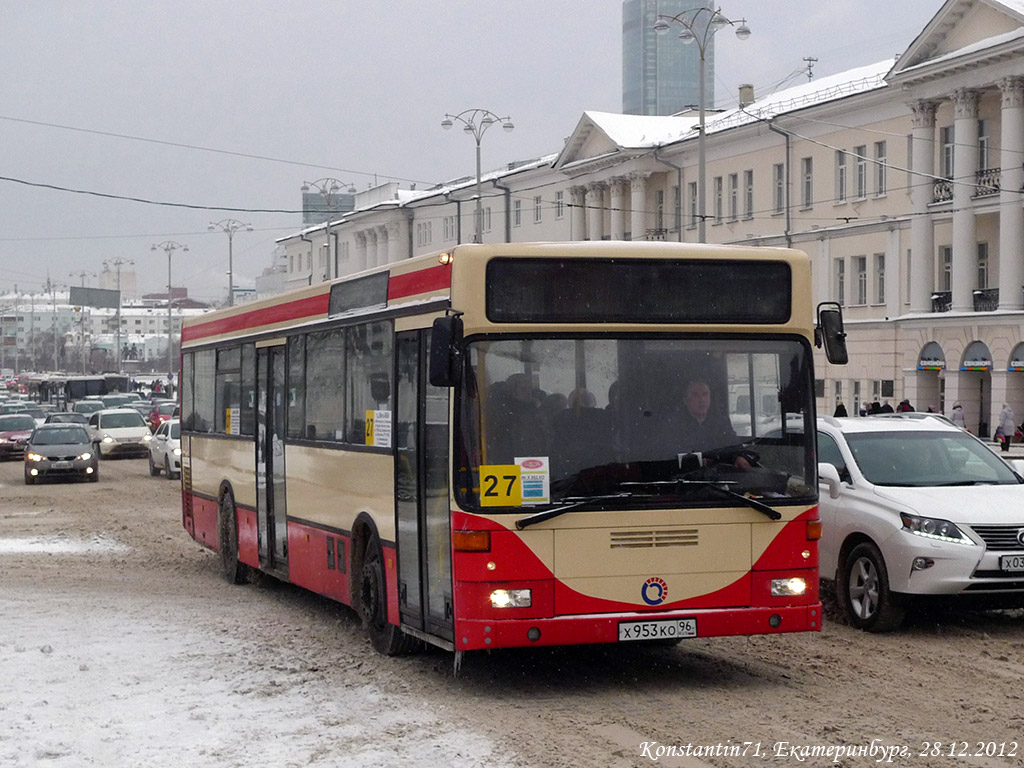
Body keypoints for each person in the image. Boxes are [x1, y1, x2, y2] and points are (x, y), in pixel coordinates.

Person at [679, 377, 749, 468]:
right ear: (686, 400)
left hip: (719, 477)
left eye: (705, 394)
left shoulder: (721, 422)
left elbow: (733, 444)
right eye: (695, 395)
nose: (702, 399)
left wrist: (739, 457)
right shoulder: (675, 425)